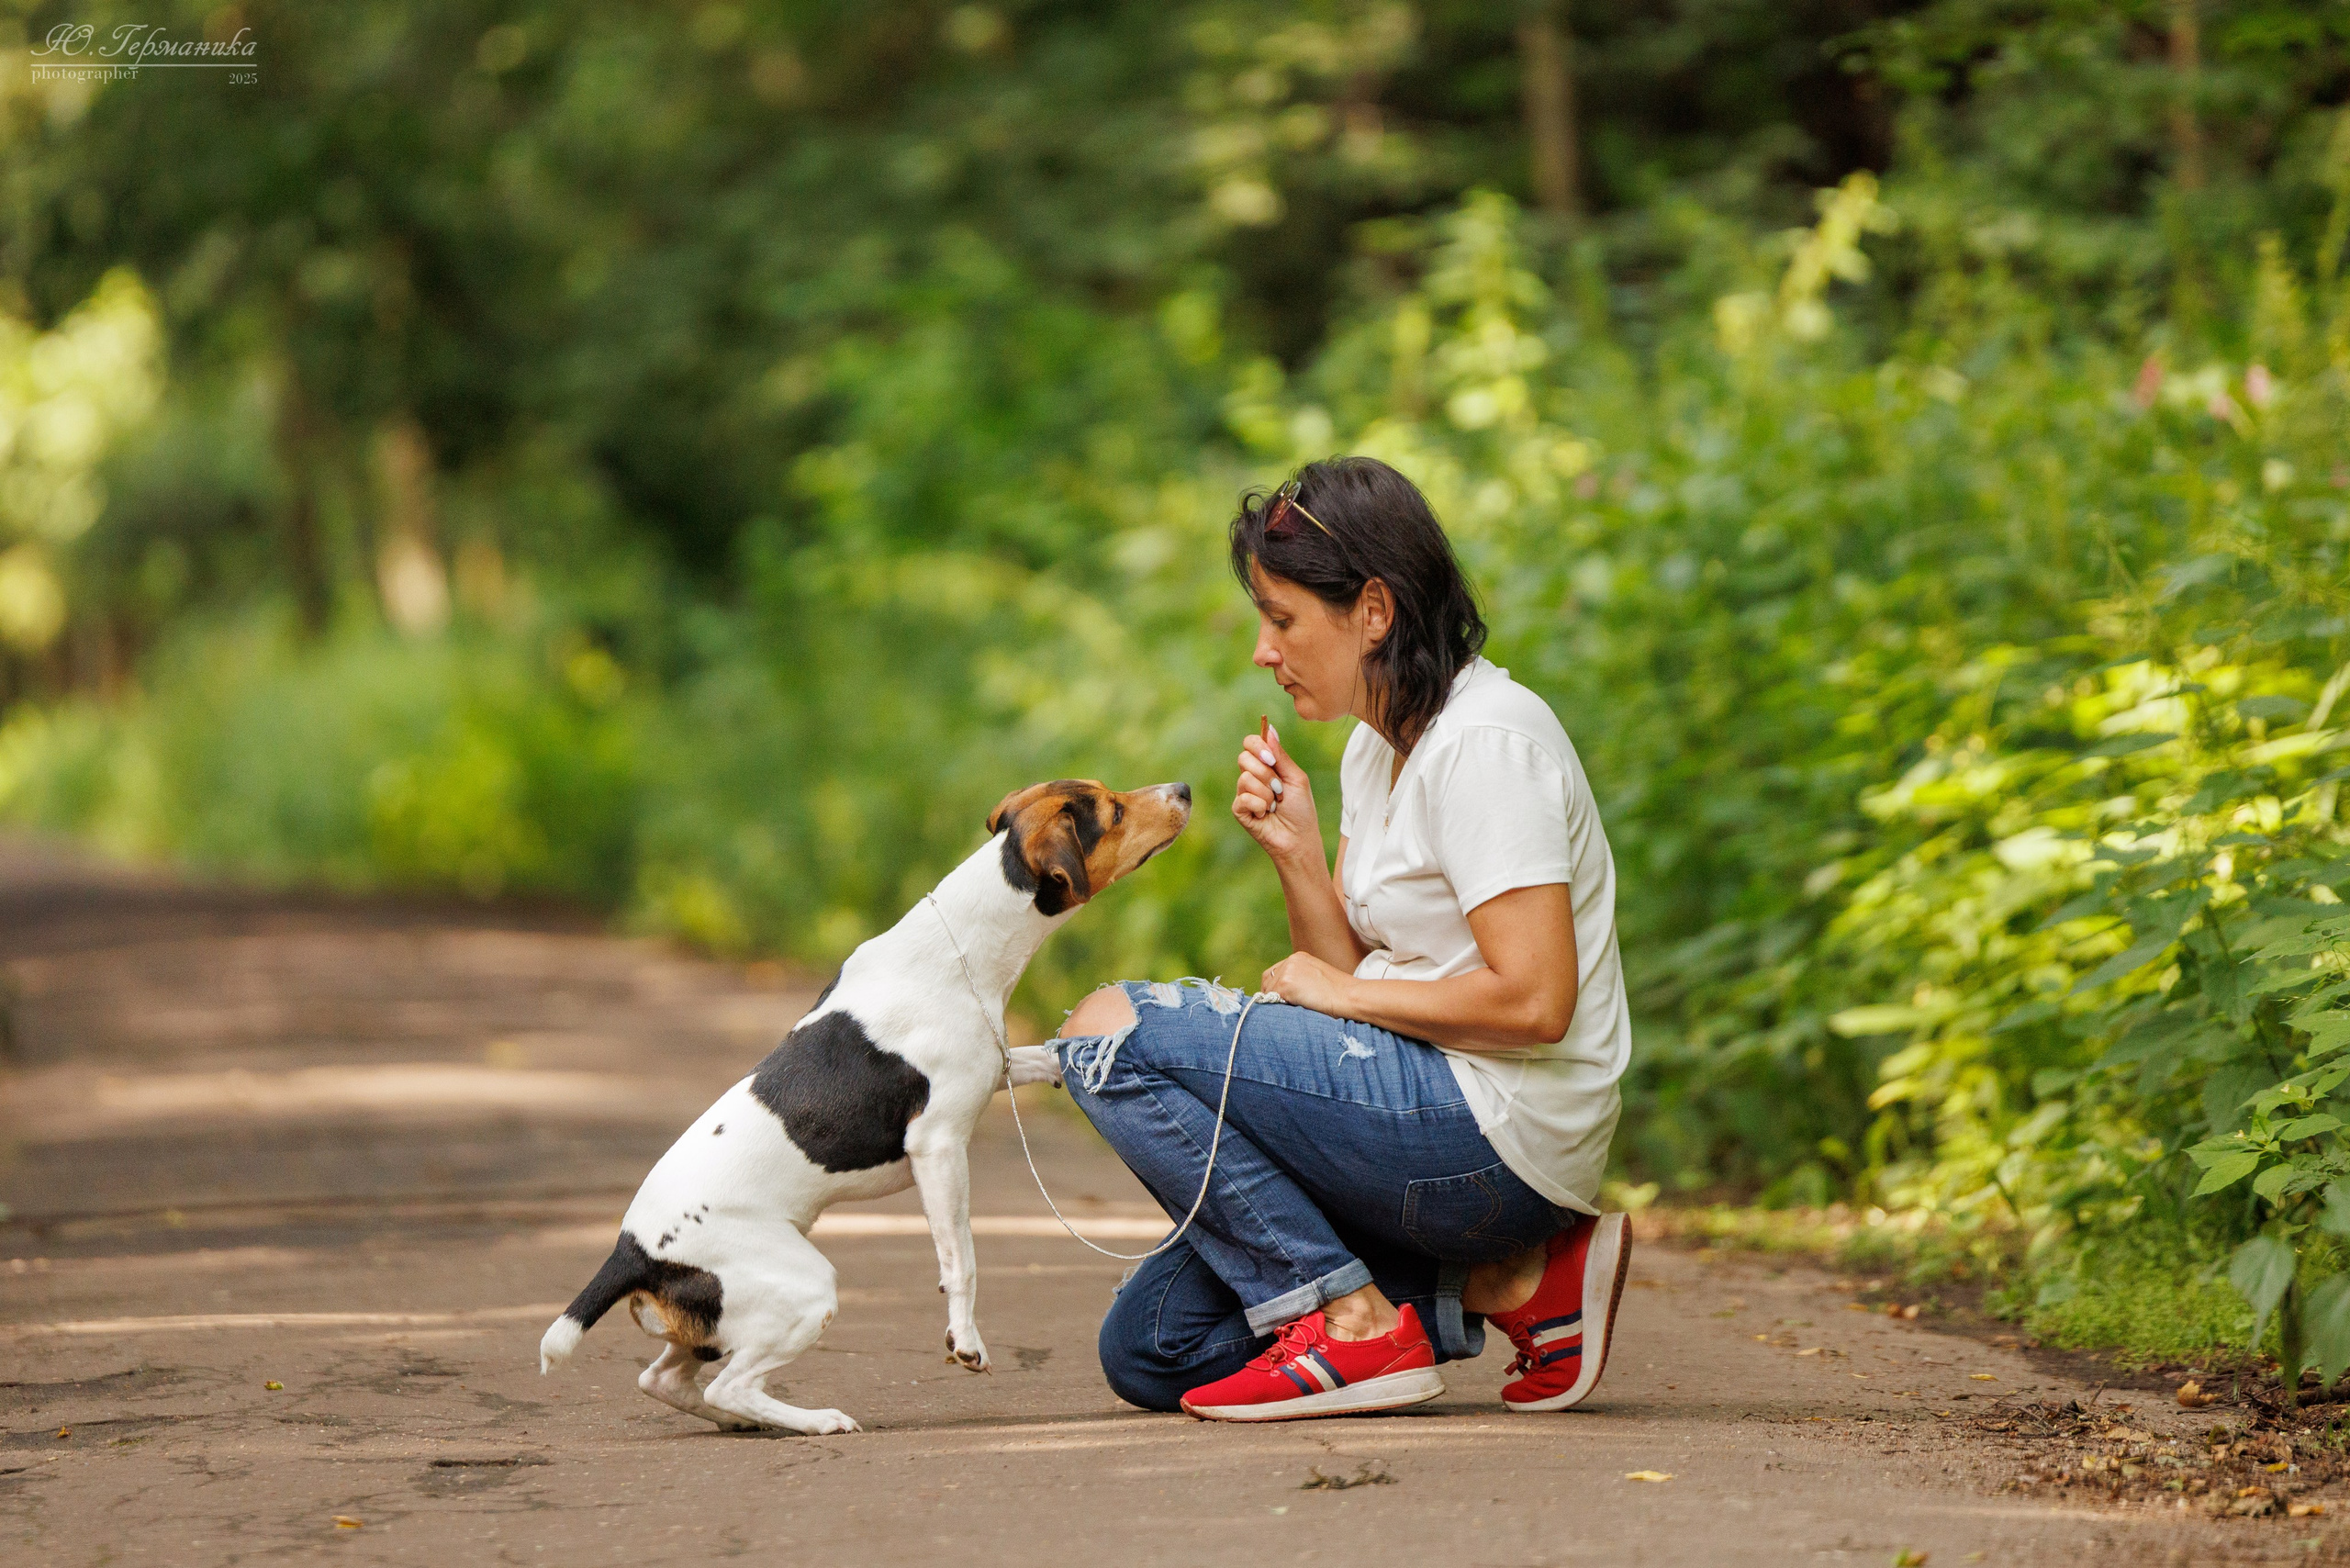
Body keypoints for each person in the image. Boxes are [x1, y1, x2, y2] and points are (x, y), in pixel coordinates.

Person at [1043, 454, 1634, 1421]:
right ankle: (1512, 1285)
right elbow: (1357, 972)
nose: (1262, 651)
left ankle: (1355, 1324)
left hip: (1500, 1134)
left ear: (1372, 609)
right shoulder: (1377, 744)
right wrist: (1297, 857)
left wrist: (1342, 994)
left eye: (1281, 619)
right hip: (1421, 1112)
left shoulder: (1487, 745)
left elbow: (1534, 1001)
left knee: (1108, 1033)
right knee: (1153, 1351)